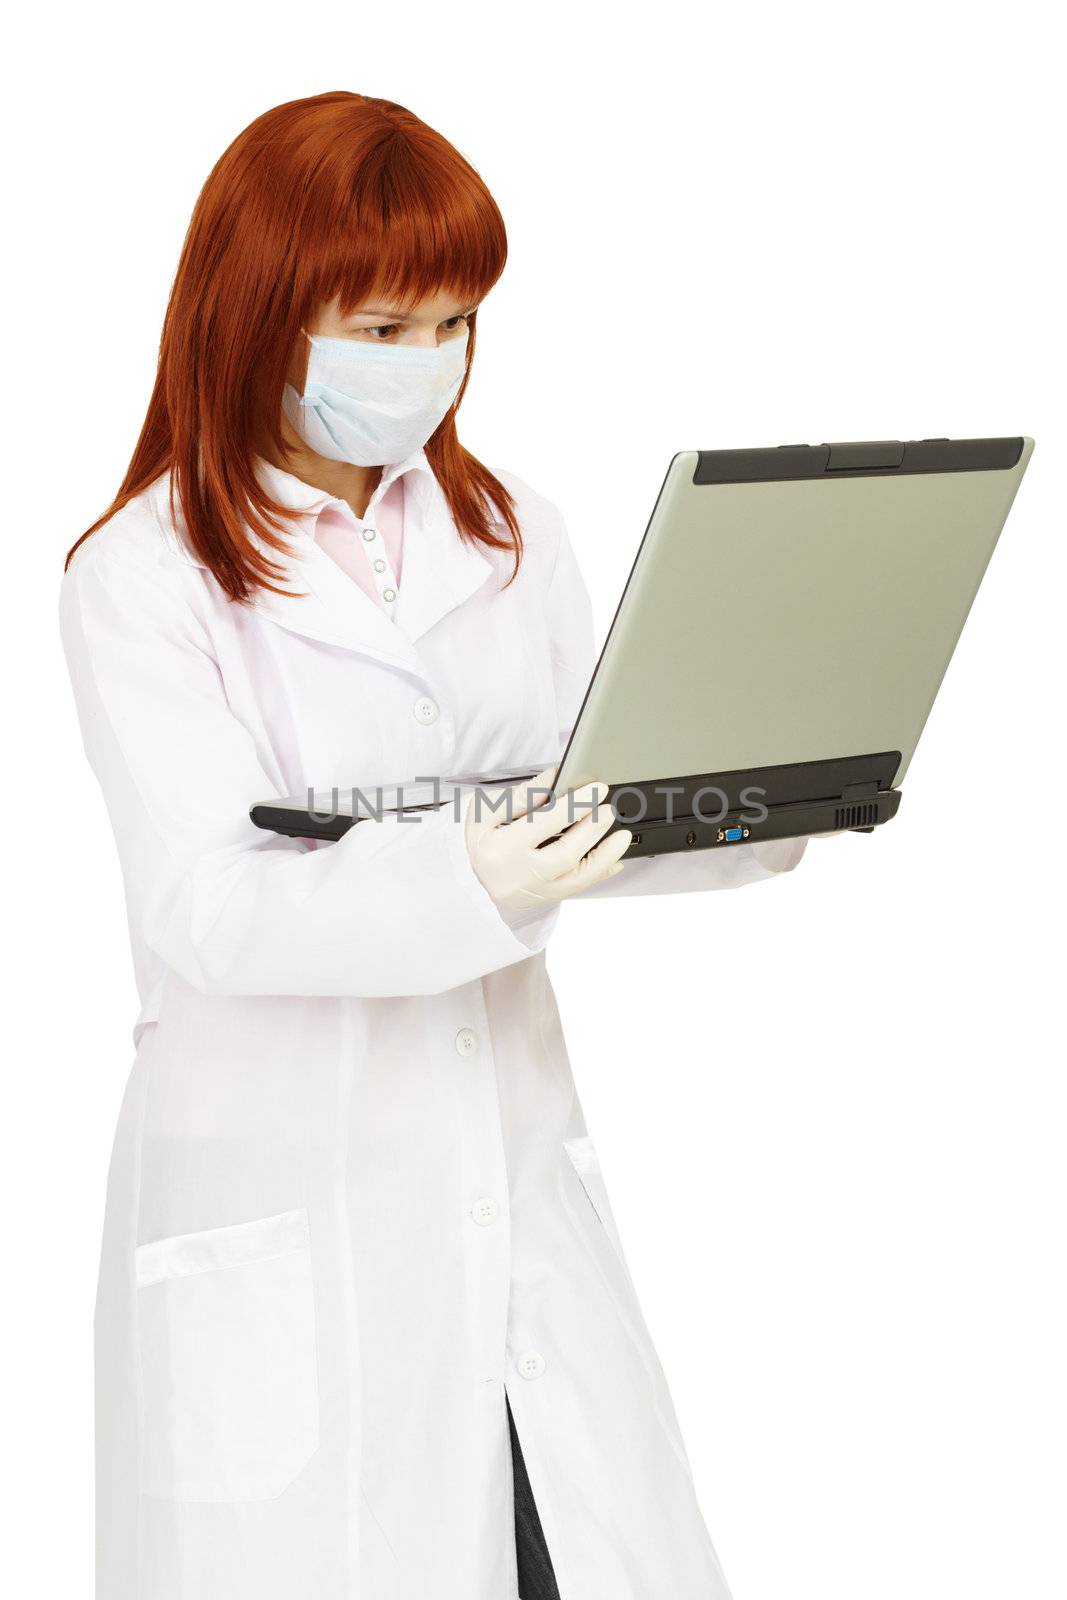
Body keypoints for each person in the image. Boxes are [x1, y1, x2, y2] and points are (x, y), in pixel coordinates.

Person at [60, 90, 808, 1600]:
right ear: (260, 310)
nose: (426, 365)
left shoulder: (513, 532)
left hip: (510, 1180)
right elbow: (211, 910)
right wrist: (476, 875)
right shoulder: (143, 577)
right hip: (284, 1199)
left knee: (573, 1550)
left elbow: (596, 803)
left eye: (453, 324)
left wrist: (762, 801)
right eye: (383, 330)